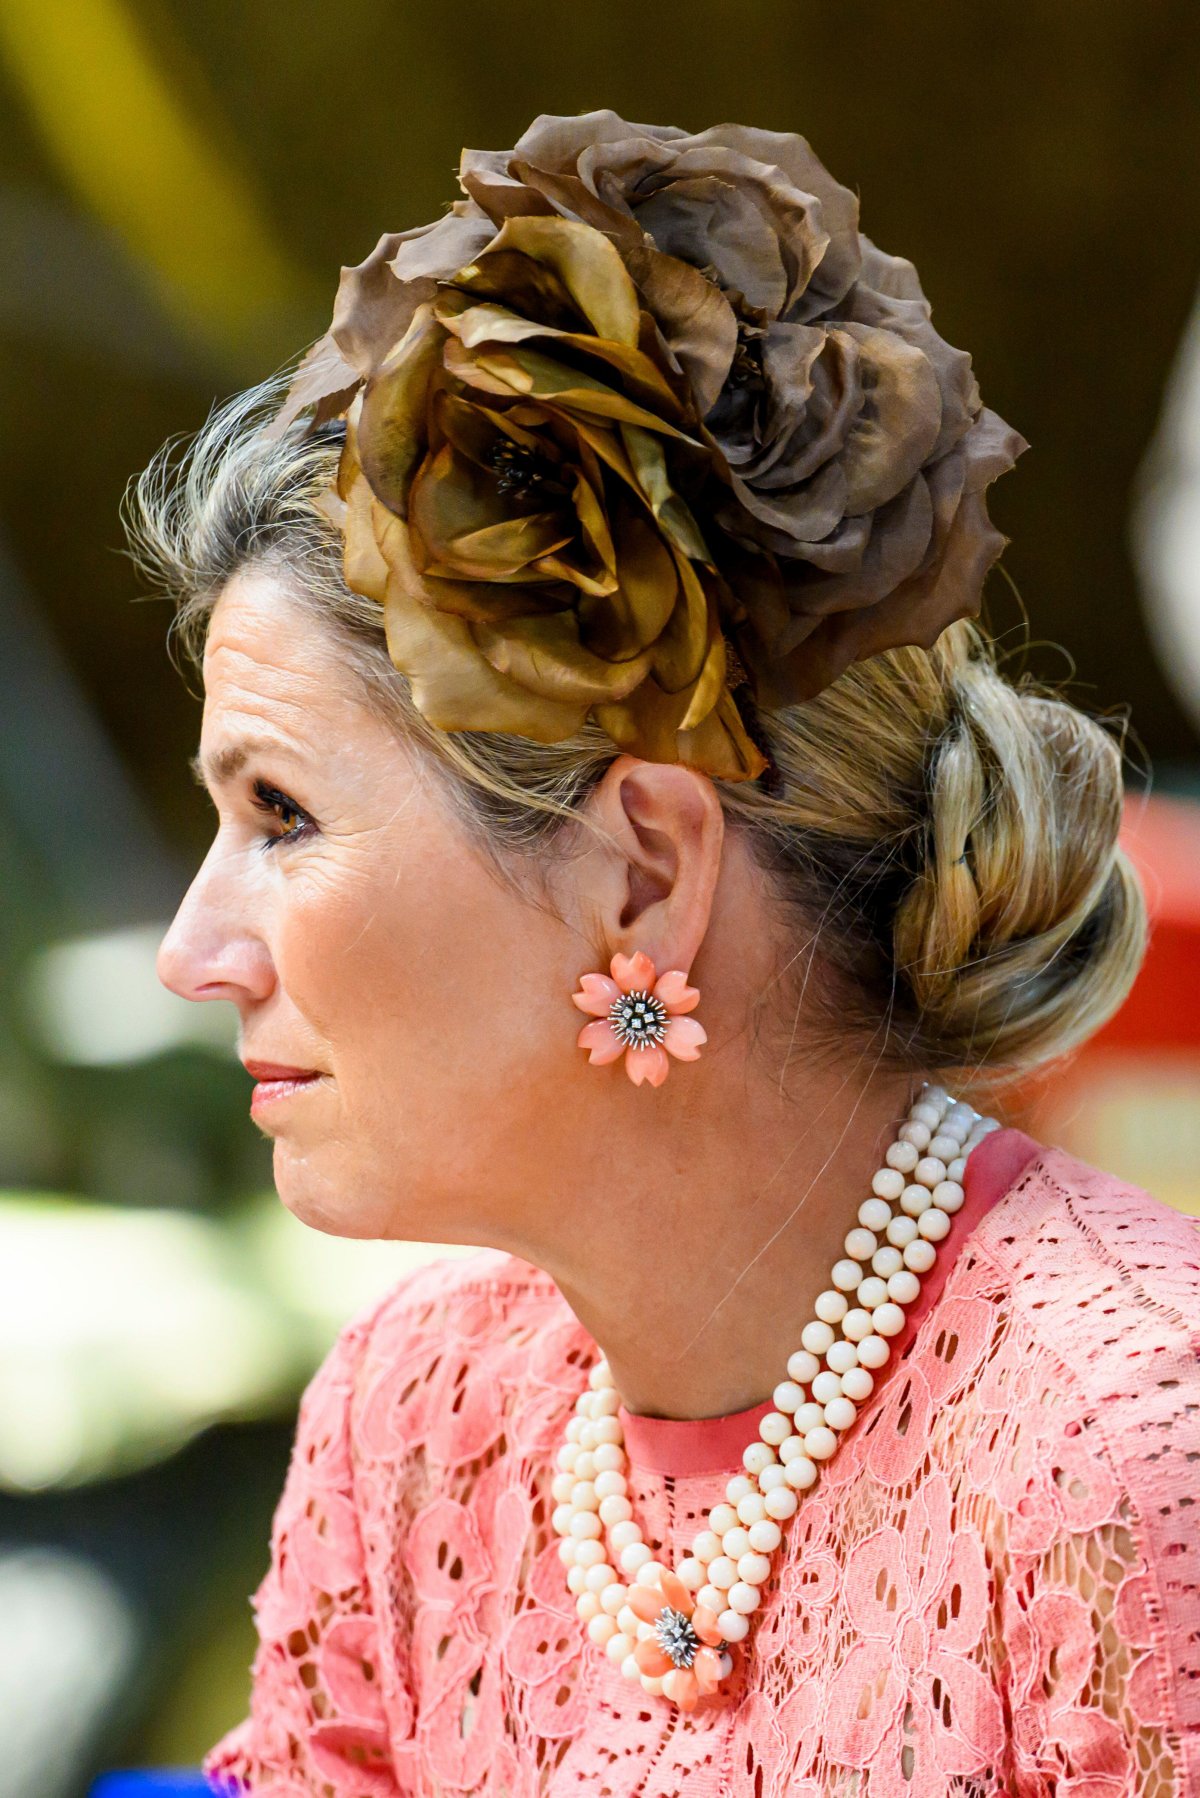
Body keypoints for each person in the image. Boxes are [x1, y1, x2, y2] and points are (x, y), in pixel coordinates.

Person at [130, 113, 1200, 1795]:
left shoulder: (1128, 1458)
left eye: (281, 813)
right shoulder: (411, 1422)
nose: (197, 951)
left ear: (643, 873)